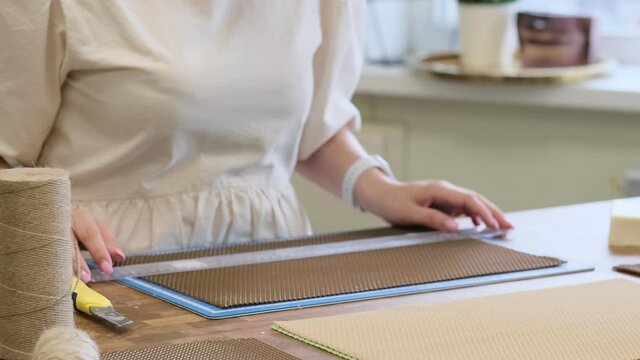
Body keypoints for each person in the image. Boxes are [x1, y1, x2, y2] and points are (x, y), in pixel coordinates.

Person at [0, 1, 512, 283]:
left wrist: (378, 187)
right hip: (104, 276)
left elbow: (310, 128)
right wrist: (41, 212)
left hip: (271, 269)